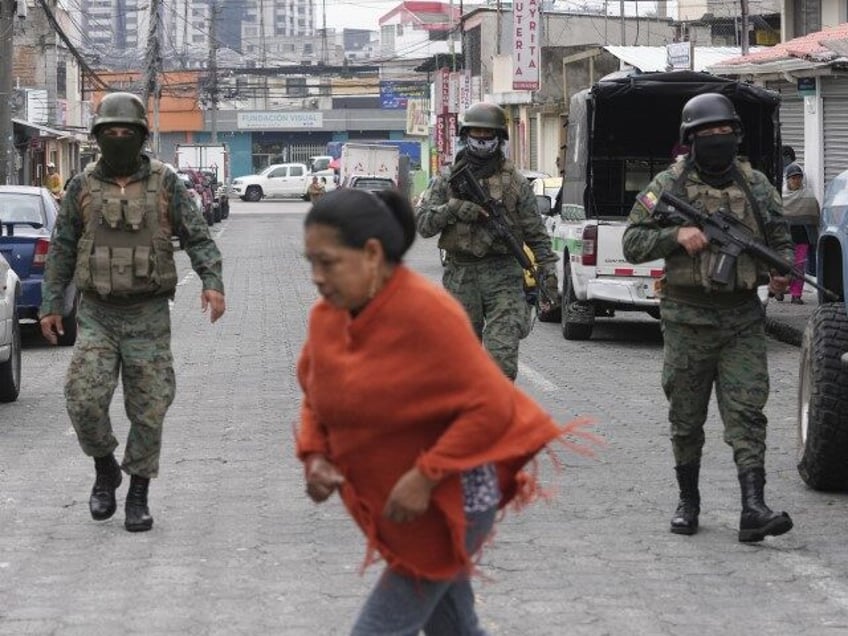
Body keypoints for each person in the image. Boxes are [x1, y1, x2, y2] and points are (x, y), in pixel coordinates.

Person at [297, 187, 598, 635]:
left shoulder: (428, 311)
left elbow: (490, 406)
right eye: (312, 264)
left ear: (373, 254)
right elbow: (316, 396)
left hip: (453, 497)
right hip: (403, 499)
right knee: (452, 626)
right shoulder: (328, 316)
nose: (318, 277)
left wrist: (426, 475)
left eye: (329, 263)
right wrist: (316, 455)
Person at [39, 92, 226, 533]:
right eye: (110, 132)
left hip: (148, 313)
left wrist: (212, 283)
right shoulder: (82, 187)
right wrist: (50, 304)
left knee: (150, 408)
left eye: (127, 131)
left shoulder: (166, 184)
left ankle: (138, 492)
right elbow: (62, 247)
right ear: (98, 136)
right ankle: (106, 469)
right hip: (98, 313)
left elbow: (197, 236)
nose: (119, 137)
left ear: (141, 135)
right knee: (83, 400)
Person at [622, 93, 794, 543]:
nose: (717, 141)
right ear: (690, 139)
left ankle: (753, 507)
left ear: (736, 136)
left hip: (741, 320)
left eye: (724, 133)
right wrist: (677, 235)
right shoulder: (668, 185)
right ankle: (688, 501)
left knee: (748, 412)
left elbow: (780, 240)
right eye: (707, 135)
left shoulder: (756, 186)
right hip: (686, 318)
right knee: (686, 416)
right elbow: (632, 243)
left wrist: (779, 276)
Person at [415, 102, 559, 380]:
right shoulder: (446, 181)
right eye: (476, 135)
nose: (482, 141)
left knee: (501, 363)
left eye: (488, 135)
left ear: (500, 139)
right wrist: (453, 209)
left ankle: (497, 418)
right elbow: (423, 225)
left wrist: (547, 269)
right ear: (465, 136)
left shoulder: (515, 183)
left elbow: (536, 234)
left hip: (504, 275)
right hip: (461, 275)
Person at [782, 162, 821, 302]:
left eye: (798, 177)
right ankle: (780, 289)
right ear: (787, 179)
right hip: (783, 237)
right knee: (782, 265)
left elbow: (815, 215)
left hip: (802, 237)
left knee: (799, 266)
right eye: (793, 178)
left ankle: (796, 295)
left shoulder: (808, 195)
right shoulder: (780, 196)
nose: (796, 180)